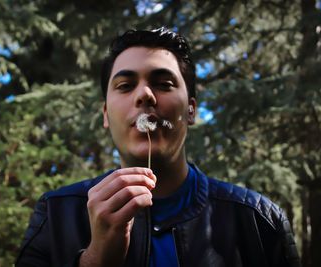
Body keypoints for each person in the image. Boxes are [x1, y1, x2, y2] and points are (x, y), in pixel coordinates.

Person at [16, 27, 301, 267]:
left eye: (163, 84)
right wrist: (95, 260)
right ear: (105, 114)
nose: (145, 95)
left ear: (191, 110)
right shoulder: (55, 215)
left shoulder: (259, 222)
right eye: (125, 85)